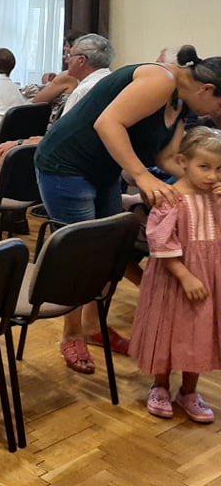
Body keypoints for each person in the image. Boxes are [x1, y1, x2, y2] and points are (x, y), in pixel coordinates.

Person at [35, 44, 221, 375]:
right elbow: (107, 124)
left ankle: (94, 326)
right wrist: (141, 176)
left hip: (102, 170)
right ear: (207, 89)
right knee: (81, 254)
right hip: (66, 166)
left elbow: (167, 158)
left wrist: (203, 183)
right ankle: (72, 335)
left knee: (112, 251)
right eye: (219, 106)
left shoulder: (180, 103)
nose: (214, 115)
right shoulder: (161, 80)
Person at [0, 34, 115, 240]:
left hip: (67, 164)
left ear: (81, 60)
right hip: (98, 161)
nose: (66, 60)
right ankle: (15, 218)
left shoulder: (83, 90)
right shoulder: (110, 81)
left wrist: (22, 142)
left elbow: (62, 135)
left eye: (69, 55)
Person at [129, 126, 221, 424]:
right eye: (204, 167)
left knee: (200, 330)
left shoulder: (215, 197)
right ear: (183, 162)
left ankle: (189, 391)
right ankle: (159, 386)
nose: (212, 176)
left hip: (210, 276)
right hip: (173, 279)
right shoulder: (172, 198)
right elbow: (160, 242)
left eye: (220, 169)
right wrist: (185, 275)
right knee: (167, 329)